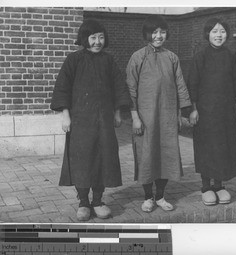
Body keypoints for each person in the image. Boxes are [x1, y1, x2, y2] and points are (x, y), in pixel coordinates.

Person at [50, 19, 131, 221]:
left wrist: (118, 113)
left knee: (104, 158)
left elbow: (119, 87)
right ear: (84, 38)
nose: (97, 41)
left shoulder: (108, 61)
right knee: (83, 160)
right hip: (80, 121)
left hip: (103, 120)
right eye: (93, 37)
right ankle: (84, 202)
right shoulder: (73, 60)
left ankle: (98, 200)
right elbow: (63, 89)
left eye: (101, 37)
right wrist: (65, 115)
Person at [126, 15, 191, 212]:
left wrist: (180, 113)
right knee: (147, 155)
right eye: (154, 32)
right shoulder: (138, 57)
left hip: (168, 116)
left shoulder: (172, 57)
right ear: (147, 34)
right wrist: (135, 117)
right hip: (145, 118)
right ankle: (148, 197)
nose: (158, 36)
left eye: (162, 32)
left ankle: (161, 196)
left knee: (166, 155)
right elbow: (130, 89)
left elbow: (181, 86)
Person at [188, 18, 236, 206]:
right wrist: (193, 109)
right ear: (208, 34)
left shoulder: (231, 56)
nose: (219, 35)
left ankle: (219, 185)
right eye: (215, 31)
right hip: (205, 112)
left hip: (225, 111)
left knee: (223, 147)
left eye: (222, 31)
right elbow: (192, 84)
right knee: (207, 147)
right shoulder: (200, 56)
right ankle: (206, 187)